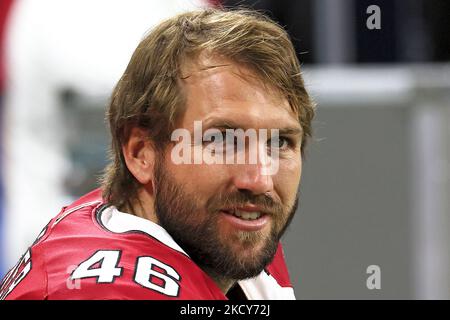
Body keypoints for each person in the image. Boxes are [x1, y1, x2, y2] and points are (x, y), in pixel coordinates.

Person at [0, 8, 315, 300]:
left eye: (279, 142)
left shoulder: (226, 230)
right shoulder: (104, 292)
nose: (259, 179)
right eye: (222, 140)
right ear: (140, 153)